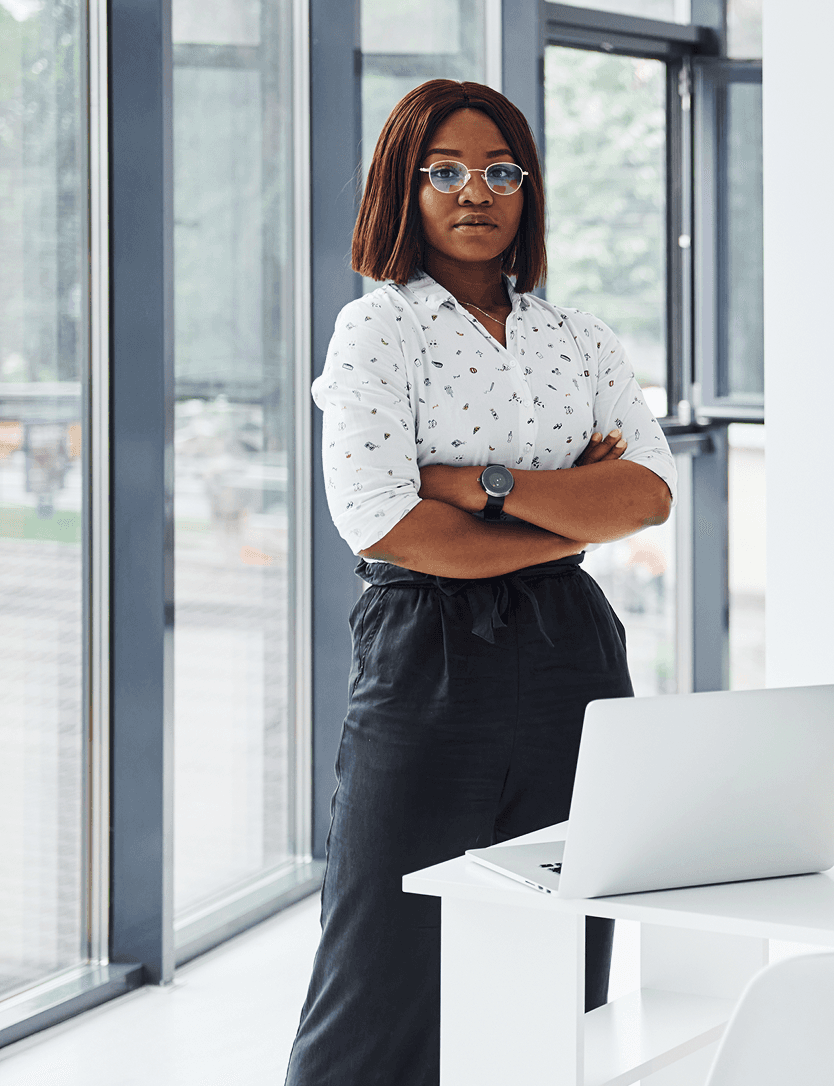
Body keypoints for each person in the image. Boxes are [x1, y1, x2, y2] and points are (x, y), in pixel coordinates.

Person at [285, 79, 675, 1086]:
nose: (475, 191)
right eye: (445, 171)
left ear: (528, 190)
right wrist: (562, 508)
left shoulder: (578, 337)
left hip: (571, 657)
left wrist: (483, 486)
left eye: (501, 170)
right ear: (403, 192)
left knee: (560, 946)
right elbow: (388, 522)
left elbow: (645, 496)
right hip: (427, 655)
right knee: (384, 957)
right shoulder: (378, 332)